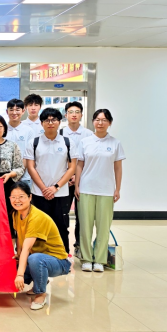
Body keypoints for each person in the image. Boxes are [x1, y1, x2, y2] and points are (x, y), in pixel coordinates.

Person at [75, 109, 125, 273]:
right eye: (97, 119)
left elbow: (118, 168)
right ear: (93, 122)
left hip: (106, 190)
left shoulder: (115, 143)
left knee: (103, 227)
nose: (100, 123)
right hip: (86, 188)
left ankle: (100, 260)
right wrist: (77, 185)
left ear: (109, 123)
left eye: (104, 120)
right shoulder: (85, 142)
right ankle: (86, 259)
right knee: (85, 226)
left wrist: (117, 188)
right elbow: (79, 165)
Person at [11, 182, 71, 311]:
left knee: (34, 259)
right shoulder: (16, 214)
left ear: (30, 197)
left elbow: (27, 248)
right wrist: (18, 254)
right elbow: (20, 237)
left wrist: (20, 275)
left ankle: (40, 293)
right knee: (13, 262)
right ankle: (41, 280)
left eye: (21, 197)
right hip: (40, 258)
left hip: (58, 261)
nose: (17, 200)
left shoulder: (36, 217)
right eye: (13, 197)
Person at [25, 108, 78, 253]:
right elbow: (31, 167)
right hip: (39, 193)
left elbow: (72, 168)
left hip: (61, 193)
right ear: (41, 123)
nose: (50, 123)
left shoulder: (68, 142)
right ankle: (40, 256)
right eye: (46, 120)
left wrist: (55, 187)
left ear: (59, 122)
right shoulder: (34, 142)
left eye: (54, 120)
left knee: (61, 226)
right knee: (40, 227)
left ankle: (63, 256)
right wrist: (44, 188)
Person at [62, 101, 93, 257]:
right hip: (65, 181)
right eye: (70, 112)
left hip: (84, 180)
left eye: (77, 112)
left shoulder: (89, 134)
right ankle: (62, 246)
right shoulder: (60, 133)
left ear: (81, 114)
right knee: (63, 214)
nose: (74, 115)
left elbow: (89, 158)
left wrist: (78, 177)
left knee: (83, 215)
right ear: (66, 115)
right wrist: (69, 176)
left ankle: (80, 246)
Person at [4, 99, 35, 186]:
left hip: (24, 177)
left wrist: (18, 174)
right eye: (11, 110)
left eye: (17, 110)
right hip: (4, 176)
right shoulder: (2, 130)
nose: (14, 113)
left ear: (23, 111)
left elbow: (28, 155)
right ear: (7, 112)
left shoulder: (29, 131)